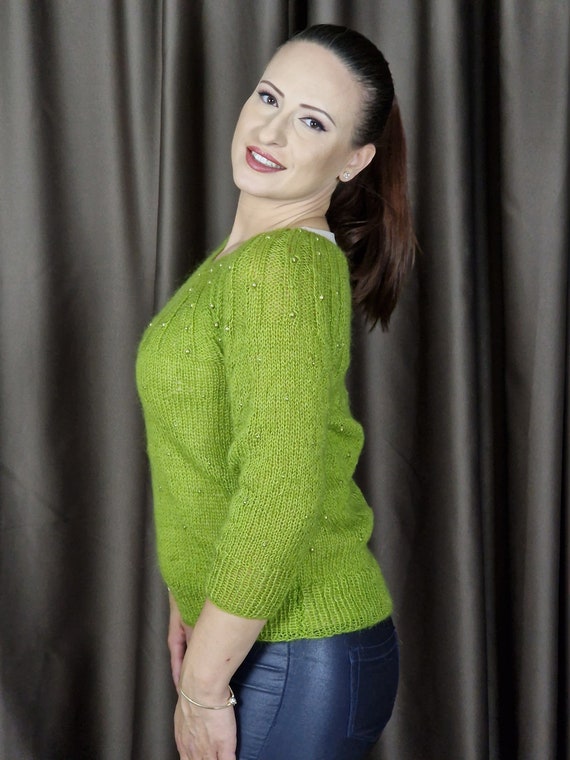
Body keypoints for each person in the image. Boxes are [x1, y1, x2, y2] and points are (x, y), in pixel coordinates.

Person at [136, 23, 415, 760]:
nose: (271, 131)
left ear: (355, 158)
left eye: (312, 122)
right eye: (269, 97)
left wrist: (203, 689)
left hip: (295, 650)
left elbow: (281, 490)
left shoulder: (280, 269)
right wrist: (191, 600)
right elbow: (211, 459)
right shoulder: (249, 261)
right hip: (259, 640)